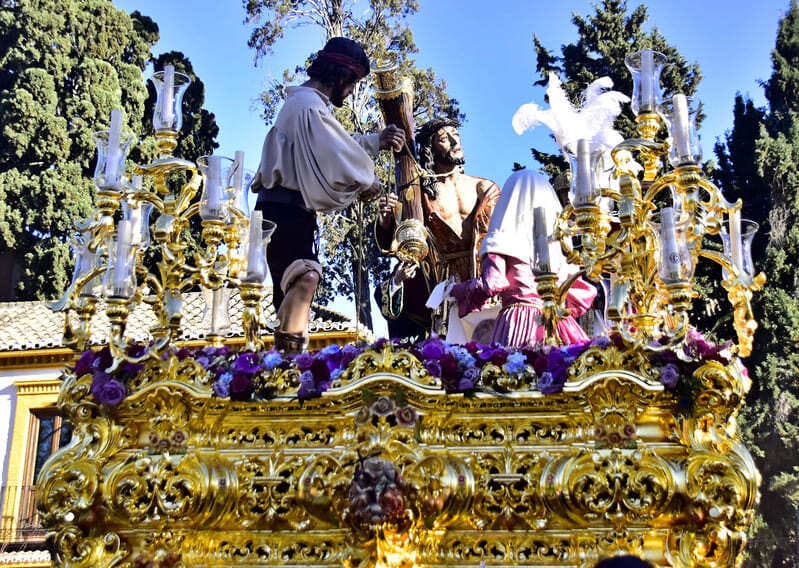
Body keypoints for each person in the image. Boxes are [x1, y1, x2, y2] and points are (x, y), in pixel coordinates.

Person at [251, 37, 405, 353]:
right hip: (284, 212)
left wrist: (376, 140)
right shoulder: (307, 105)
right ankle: (287, 364)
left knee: (295, 286)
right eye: (352, 84)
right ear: (339, 75)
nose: (350, 92)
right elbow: (336, 151)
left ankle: (285, 362)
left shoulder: (308, 105)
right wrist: (368, 181)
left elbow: (335, 141)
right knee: (304, 277)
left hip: (285, 212)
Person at [374, 118, 500, 338]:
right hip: (445, 288)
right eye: (444, 138)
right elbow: (405, 240)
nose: (454, 141)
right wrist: (386, 220)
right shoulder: (418, 196)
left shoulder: (484, 188)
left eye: (456, 135)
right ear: (430, 150)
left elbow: (502, 236)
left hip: (486, 285)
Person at [450, 169, 597, 348]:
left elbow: (492, 283)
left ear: (507, 204)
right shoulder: (558, 249)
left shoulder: (501, 241)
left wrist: (454, 290)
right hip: (558, 323)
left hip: (519, 321)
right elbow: (581, 294)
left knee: (517, 369)